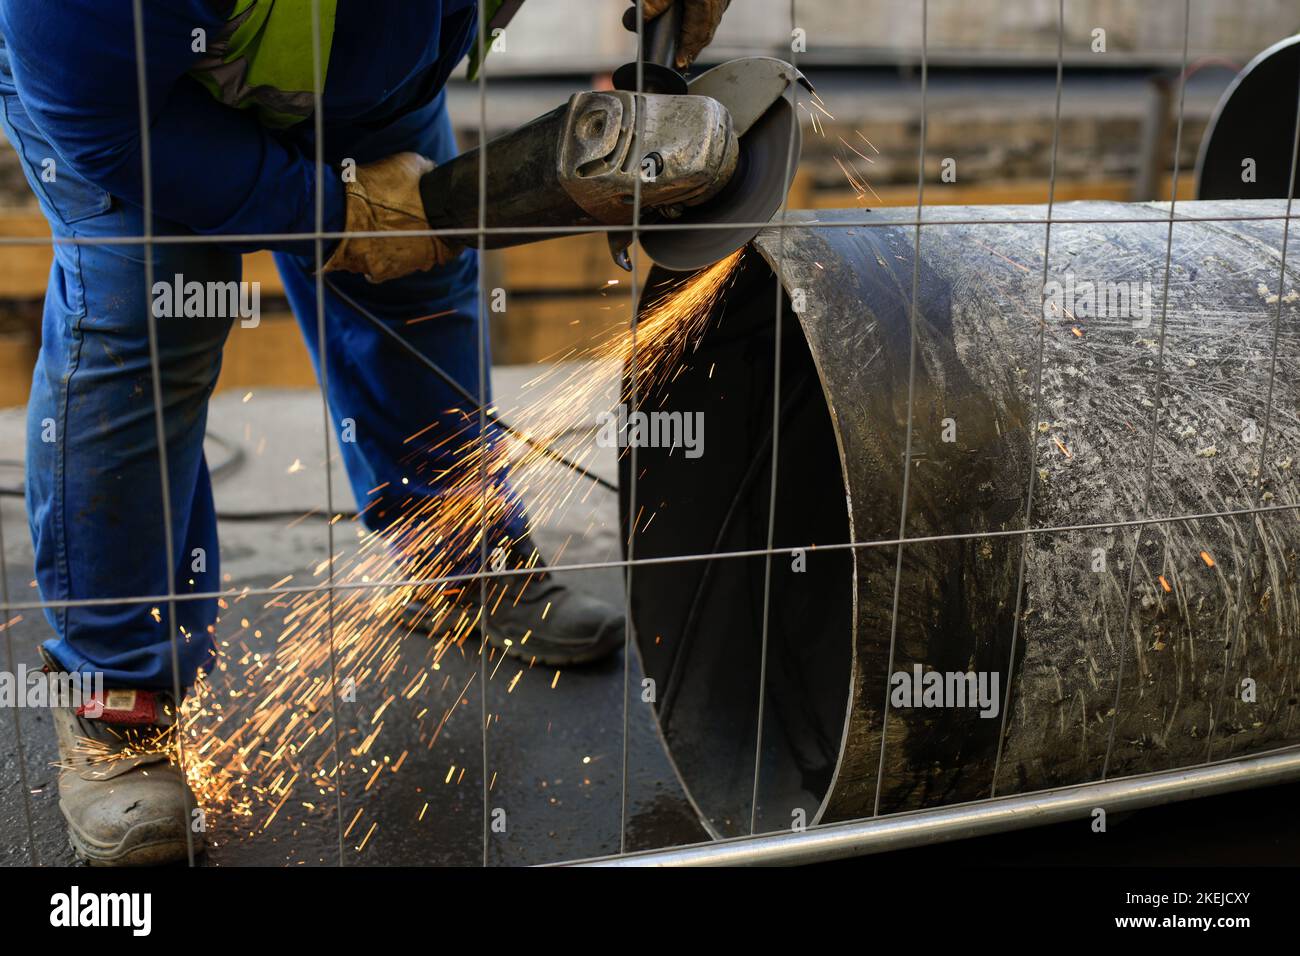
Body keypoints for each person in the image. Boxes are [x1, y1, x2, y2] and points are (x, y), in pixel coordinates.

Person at [0, 0, 729, 865]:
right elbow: (108, 127)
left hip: (369, 72)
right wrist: (331, 211)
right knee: (145, 322)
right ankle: (117, 695)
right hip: (137, 100)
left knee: (416, 280)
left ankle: (459, 559)